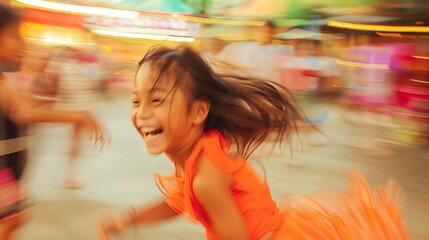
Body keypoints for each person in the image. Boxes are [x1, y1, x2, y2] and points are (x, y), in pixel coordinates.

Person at [100, 45, 409, 240]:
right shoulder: (194, 156)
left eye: (156, 100)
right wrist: (130, 218)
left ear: (198, 111)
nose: (142, 113)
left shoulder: (207, 175)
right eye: (136, 101)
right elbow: (179, 201)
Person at [0, 4, 105, 239]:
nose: (20, 43)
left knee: (15, 217)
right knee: (11, 219)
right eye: (13, 35)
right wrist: (79, 115)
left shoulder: (7, 77)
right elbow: (24, 113)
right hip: (2, 167)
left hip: (9, 164)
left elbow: (26, 108)